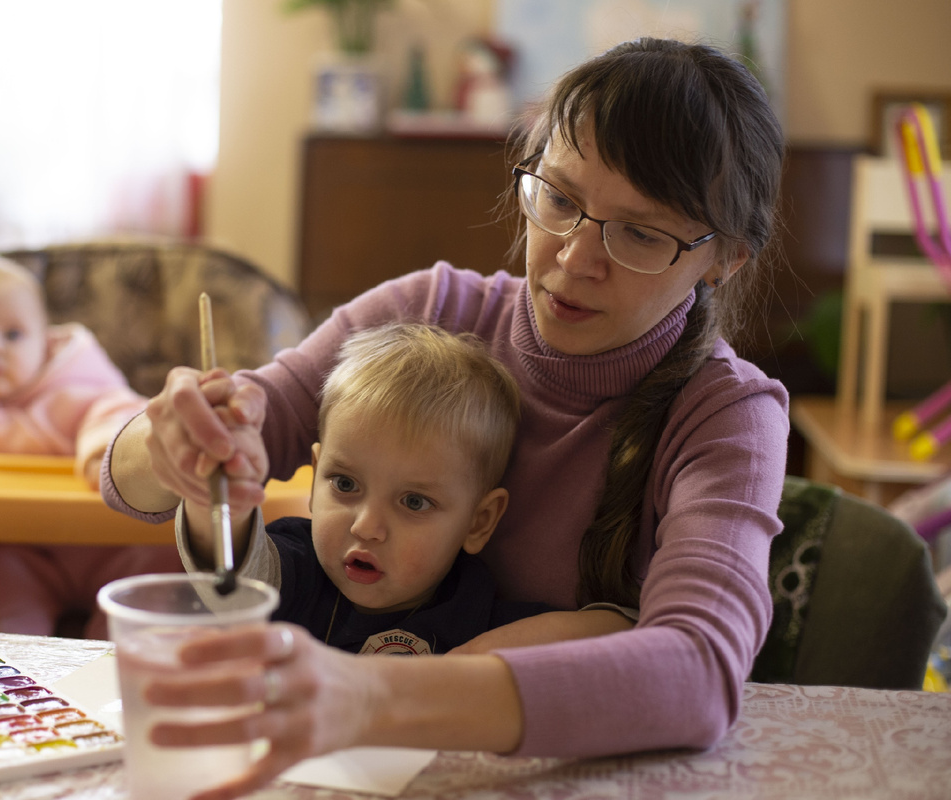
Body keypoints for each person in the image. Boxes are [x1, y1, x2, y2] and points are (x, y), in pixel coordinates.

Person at [102, 36, 788, 798]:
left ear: (724, 258)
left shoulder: (726, 416)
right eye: (559, 199)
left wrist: (372, 696)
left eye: (641, 234)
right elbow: (175, 461)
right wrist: (169, 442)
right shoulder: (430, 314)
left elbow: (701, 673)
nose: (572, 258)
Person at [177, 323, 586, 654]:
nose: (367, 526)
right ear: (317, 477)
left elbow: (618, 642)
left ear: (478, 523)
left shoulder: (474, 612)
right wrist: (214, 497)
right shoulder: (295, 570)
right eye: (345, 484)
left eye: (413, 502)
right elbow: (233, 579)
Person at [0, 255, 180, 638]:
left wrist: (104, 451)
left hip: (112, 544)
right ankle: (23, 657)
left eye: (13, 335)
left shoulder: (76, 388)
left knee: (159, 564)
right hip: (19, 552)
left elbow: (121, 414)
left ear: (46, 342)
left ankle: (109, 655)